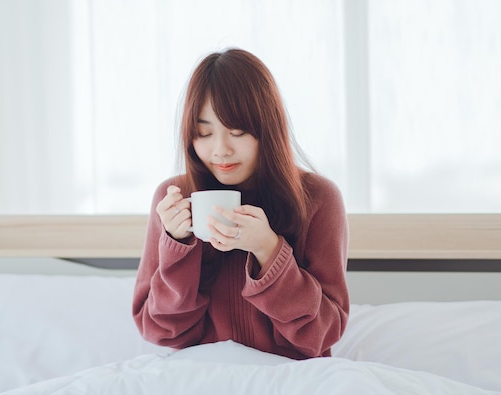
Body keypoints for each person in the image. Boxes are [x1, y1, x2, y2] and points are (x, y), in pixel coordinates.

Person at [132, 48, 349, 360]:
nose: (220, 150)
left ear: (267, 129)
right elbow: (160, 331)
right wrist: (177, 247)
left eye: (237, 131)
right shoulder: (174, 197)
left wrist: (269, 251)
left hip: (292, 385)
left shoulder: (318, 198)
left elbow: (322, 333)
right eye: (203, 133)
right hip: (200, 381)